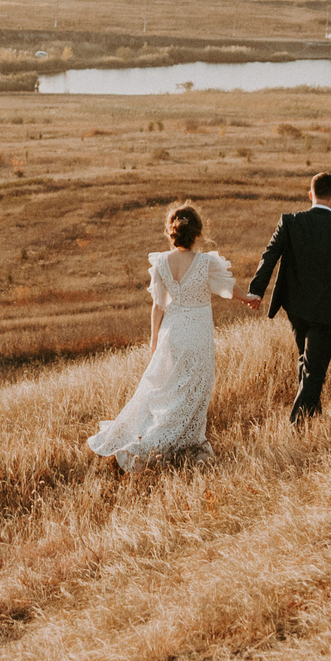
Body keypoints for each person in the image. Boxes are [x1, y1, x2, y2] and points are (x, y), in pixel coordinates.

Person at [88, 202, 235, 471]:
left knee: (167, 390)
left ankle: (165, 438)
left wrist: (154, 339)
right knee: (196, 389)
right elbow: (229, 288)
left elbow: (158, 306)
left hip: (172, 332)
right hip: (198, 334)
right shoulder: (206, 262)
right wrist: (249, 298)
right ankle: (159, 444)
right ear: (198, 233)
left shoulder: (161, 263)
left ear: (171, 233)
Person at [244, 171, 331, 437]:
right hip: (329, 312)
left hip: (296, 310)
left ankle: (314, 419)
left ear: (310, 194)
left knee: (307, 363)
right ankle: (296, 427)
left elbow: (269, 256)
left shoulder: (290, 222)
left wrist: (256, 291)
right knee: (314, 370)